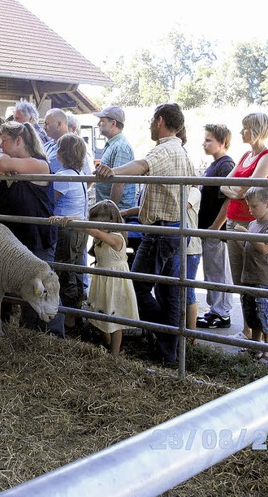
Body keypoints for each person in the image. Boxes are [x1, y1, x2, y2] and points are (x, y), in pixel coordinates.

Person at [95, 103, 195, 367]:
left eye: (152, 121)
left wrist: (113, 171)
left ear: (160, 121)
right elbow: (178, 194)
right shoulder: (182, 152)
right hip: (174, 228)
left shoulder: (165, 149)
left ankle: (164, 333)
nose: (150, 125)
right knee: (169, 293)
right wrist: (130, 211)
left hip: (160, 232)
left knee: (137, 287)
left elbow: (142, 165)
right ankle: (169, 351)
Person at [0, 120, 61, 335]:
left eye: (4, 141)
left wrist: (3, 164)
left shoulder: (39, 164)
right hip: (12, 241)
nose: (0, 146)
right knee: (5, 282)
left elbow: (2, 163)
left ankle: (50, 336)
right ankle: (7, 328)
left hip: (36, 238)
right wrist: (3, 166)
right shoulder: (12, 164)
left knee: (39, 286)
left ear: (19, 140)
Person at [54, 200, 139, 357]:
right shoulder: (101, 235)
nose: (95, 226)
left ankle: (115, 354)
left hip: (115, 281)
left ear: (110, 222)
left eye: (97, 223)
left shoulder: (116, 237)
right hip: (102, 279)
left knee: (115, 319)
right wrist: (66, 219)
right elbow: (89, 230)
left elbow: (96, 233)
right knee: (99, 313)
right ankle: (106, 344)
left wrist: (79, 221)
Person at [220, 113, 268, 340]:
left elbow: (247, 188)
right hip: (233, 220)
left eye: (245, 128)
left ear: (256, 129)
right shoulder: (244, 155)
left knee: (254, 275)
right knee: (239, 277)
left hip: (251, 222)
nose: (242, 132)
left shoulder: (267, 157)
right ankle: (247, 330)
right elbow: (225, 184)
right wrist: (236, 192)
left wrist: (236, 191)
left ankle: (260, 335)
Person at [232, 187, 268, 366]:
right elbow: (247, 248)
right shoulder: (253, 224)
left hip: (263, 278)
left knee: (265, 314)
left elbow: (263, 248)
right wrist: (237, 237)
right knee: (251, 315)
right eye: (249, 206)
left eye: (254, 206)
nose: (250, 210)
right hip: (249, 276)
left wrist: (246, 234)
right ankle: (255, 345)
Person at [196, 124, 235, 328]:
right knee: (212, 270)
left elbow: (228, 200)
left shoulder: (225, 166)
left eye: (209, 140)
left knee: (218, 270)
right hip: (208, 227)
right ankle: (215, 310)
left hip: (215, 229)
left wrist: (216, 227)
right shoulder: (214, 165)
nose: (205, 143)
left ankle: (222, 313)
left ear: (222, 142)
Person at [48, 133, 89, 319]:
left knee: (65, 272)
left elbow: (50, 200)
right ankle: (78, 310)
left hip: (67, 229)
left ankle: (69, 316)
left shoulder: (62, 176)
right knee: (78, 269)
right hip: (81, 228)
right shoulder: (79, 174)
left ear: (60, 154)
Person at [93, 106, 136, 211]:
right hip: (110, 209)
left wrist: (110, 213)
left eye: (102, 121)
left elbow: (119, 183)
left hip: (117, 212)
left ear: (113, 123)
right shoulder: (113, 144)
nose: (98, 124)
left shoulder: (121, 147)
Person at [185, 186, 202, 343]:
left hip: (191, 249)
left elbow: (183, 206)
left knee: (188, 290)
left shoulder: (193, 191)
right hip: (179, 246)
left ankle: (192, 334)